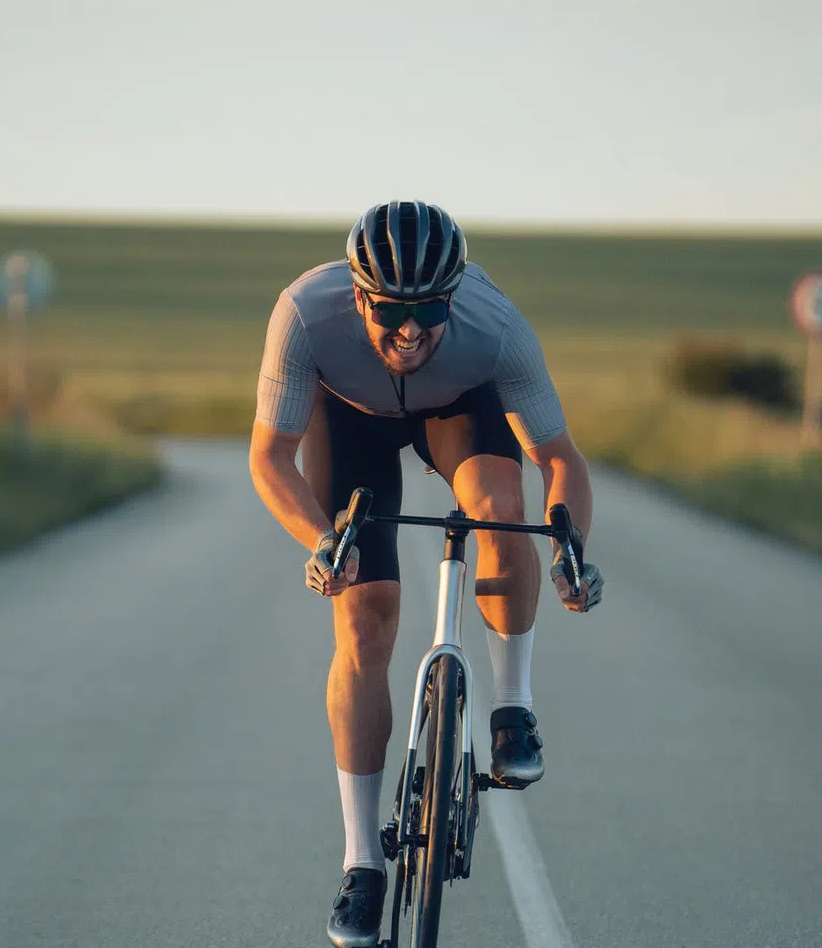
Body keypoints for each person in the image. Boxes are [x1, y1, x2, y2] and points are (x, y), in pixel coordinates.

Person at [247, 200, 605, 947]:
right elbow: (270, 457)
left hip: (460, 407)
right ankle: (362, 865)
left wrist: (570, 548)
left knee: (503, 511)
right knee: (365, 612)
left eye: (430, 308)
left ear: (456, 294)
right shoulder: (305, 315)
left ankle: (512, 707)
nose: (411, 329)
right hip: (347, 418)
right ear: (358, 296)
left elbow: (560, 459)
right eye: (393, 310)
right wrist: (323, 540)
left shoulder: (495, 326)